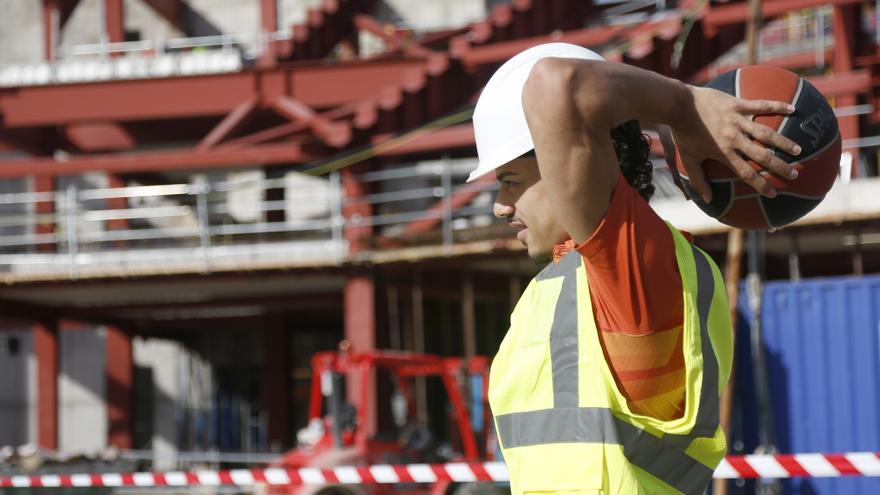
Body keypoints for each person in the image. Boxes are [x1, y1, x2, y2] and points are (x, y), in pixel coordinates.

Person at [471, 43, 801, 495]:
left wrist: (684, 107)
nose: (499, 206)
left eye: (511, 181)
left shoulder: (631, 271)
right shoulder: (559, 286)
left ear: (578, 157)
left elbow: (557, 86)